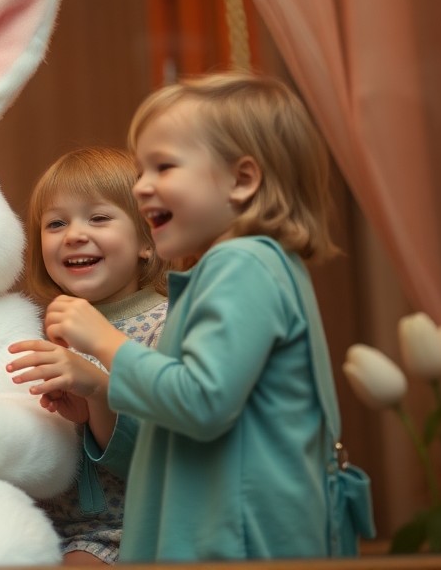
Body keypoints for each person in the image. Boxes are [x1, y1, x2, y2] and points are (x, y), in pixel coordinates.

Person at [46, 72, 347, 561]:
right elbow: (178, 426)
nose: (142, 188)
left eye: (163, 167)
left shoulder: (243, 265)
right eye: (141, 170)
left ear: (242, 180)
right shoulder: (246, 267)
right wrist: (100, 396)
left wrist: (104, 342)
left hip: (236, 543)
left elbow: (201, 399)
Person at [4, 147, 169, 565]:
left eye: (98, 217)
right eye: (56, 223)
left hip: (130, 531)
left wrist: (98, 391)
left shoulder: (169, 325)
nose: (74, 234)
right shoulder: (36, 331)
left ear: (147, 241)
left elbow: (164, 458)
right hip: (39, 528)